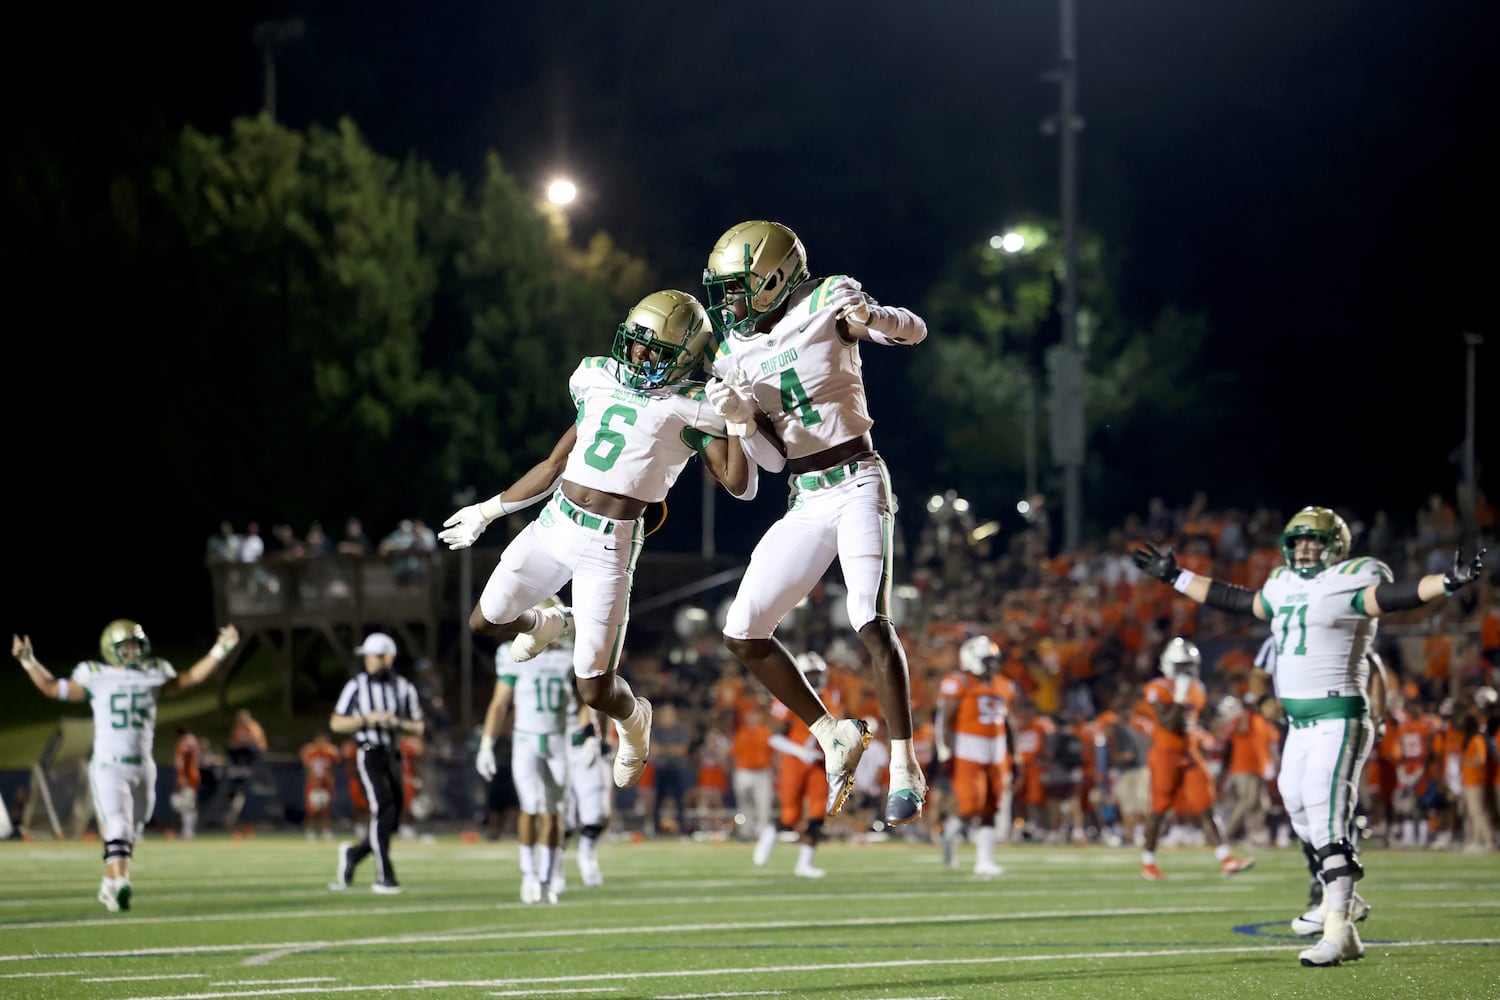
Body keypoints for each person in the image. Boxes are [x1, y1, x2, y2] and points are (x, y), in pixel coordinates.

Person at [1134, 505, 1485, 967]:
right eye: (1298, 541)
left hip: (1339, 714)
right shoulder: (1282, 584)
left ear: (1334, 545)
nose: (1304, 549)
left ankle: (1338, 927)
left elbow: (1396, 596)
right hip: (1299, 724)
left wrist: (1447, 582)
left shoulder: (1351, 579)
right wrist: (1176, 577)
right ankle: (1343, 903)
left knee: (1325, 807)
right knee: (1296, 803)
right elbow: (1237, 600)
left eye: (1314, 541)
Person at [437, 289, 753, 797]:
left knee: (594, 689)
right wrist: (487, 511)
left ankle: (634, 723)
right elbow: (553, 465)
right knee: (484, 620)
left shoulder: (693, 407)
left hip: (609, 549)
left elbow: (739, 485)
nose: (638, 357)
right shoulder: (597, 378)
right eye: (634, 345)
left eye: (655, 351)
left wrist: (738, 421)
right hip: (554, 524)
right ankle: (548, 622)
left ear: (686, 357)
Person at [697, 219, 931, 828]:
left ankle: (906, 765)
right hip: (804, 496)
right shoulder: (732, 353)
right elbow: (767, 469)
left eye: (741, 286)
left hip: (856, 479)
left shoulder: (830, 297)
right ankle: (832, 733)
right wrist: (742, 421)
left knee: (868, 620)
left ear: (776, 277)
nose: (732, 301)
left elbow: (916, 330)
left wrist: (870, 318)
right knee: (743, 631)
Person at [11, 619, 239, 911]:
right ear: (111, 649)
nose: (132, 652)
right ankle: (122, 883)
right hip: (108, 765)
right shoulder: (95, 676)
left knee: (134, 827)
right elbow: (52, 688)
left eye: (136, 645)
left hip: (143, 766)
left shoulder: (153, 673)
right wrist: (29, 661)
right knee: (117, 824)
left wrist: (221, 648)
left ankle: (108, 884)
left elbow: (192, 678)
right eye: (126, 647)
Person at [1133, 637, 1255, 881]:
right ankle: (1148, 863)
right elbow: (1169, 723)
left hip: (1189, 753)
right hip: (1165, 754)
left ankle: (1226, 859)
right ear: (1169, 664)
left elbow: (1196, 720)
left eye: (1189, 665)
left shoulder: (1196, 688)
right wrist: (1179, 697)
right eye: (1182, 665)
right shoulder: (1157, 688)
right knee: (1158, 810)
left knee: (1205, 807)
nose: (1186, 671)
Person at [477, 622, 574, 904]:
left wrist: (590, 734)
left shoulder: (568, 657)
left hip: (557, 740)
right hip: (526, 741)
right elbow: (499, 704)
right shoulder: (514, 656)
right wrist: (486, 743)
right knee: (530, 807)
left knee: (554, 811)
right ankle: (529, 874)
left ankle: (548, 875)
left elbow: (585, 701)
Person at [328, 631, 425, 894]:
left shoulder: (403, 687)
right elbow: (336, 722)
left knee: (391, 819)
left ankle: (354, 854)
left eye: (371, 656)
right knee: (382, 810)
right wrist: (365, 720)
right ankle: (385, 878)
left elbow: (418, 727)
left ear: (387, 657)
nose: (368, 661)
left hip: (394, 753)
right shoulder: (357, 685)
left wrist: (397, 723)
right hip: (368, 753)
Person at [936, 635, 1015, 876]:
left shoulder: (1003, 684)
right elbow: (944, 721)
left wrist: (1015, 754)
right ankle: (949, 834)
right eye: (987, 660)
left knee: (992, 806)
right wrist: (944, 751)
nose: (992, 665)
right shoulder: (959, 682)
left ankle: (984, 861)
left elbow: (1009, 722)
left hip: (997, 752)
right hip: (968, 753)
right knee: (969, 806)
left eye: (993, 660)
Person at [761, 653, 844, 877]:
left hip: (820, 761)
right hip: (795, 760)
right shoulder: (787, 695)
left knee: (818, 812)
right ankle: (770, 833)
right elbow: (773, 737)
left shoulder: (831, 694)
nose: (816, 679)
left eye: (818, 674)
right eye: (811, 675)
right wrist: (800, 751)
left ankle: (804, 864)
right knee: (790, 814)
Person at [300, 731, 340, 840]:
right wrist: (313, 781)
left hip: (326, 784)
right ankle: (310, 830)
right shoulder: (309, 750)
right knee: (312, 809)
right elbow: (307, 768)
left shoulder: (331, 751)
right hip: (313, 784)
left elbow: (334, 766)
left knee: (326, 809)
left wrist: (329, 779)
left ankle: (326, 830)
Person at [172, 725, 202, 839]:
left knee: (186, 805)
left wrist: (182, 776)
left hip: (188, 776)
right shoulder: (193, 741)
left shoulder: (184, 743)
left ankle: (188, 831)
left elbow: (182, 762)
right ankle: (188, 830)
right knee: (190, 804)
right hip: (194, 775)